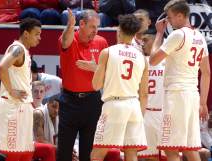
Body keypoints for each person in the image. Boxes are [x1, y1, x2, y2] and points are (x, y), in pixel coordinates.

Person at [149, 1, 210, 161]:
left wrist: (159, 34)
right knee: (190, 149)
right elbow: (207, 73)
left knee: (171, 149)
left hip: (176, 96)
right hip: (192, 96)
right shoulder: (200, 37)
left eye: (169, 18)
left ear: (180, 16)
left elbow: (153, 60)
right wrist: (203, 102)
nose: (168, 21)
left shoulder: (178, 35)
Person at [91, 14, 148, 161]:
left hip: (114, 105)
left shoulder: (108, 52)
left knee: (97, 154)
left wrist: (97, 70)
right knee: (131, 154)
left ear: (119, 30)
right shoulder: (142, 57)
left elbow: (95, 85)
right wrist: (140, 115)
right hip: (134, 106)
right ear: (135, 33)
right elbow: (145, 93)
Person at [57, 8, 108, 161]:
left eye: (98, 27)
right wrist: (70, 26)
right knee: (64, 151)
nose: (96, 30)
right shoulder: (68, 38)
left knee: (89, 152)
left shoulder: (101, 42)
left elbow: (109, 75)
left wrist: (96, 68)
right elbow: (65, 41)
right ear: (82, 24)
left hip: (92, 101)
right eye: (93, 27)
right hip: (70, 101)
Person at [0, 18, 41, 161]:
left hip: (23, 107)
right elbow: (1, 67)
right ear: (26, 34)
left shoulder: (25, 52)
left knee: (26, 154)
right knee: (12, 155)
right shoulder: (18, 48)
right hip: (13, 107)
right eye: (37, 34)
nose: (39, 38)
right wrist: (11, 91)